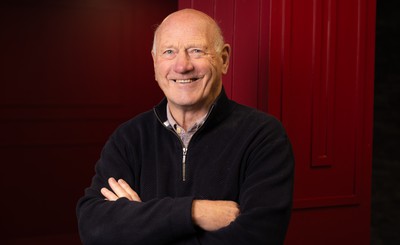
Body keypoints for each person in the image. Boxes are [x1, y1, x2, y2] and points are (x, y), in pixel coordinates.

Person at [76, 8, 294, 245]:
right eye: (169, 52)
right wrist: (193, 212)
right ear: (155, 62)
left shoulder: (263, 137)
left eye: (196, 51)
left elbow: (257, 238)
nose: (182, 65)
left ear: (223, 59)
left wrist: (140, 224)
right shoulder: (129, 138)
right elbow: (93, 228)